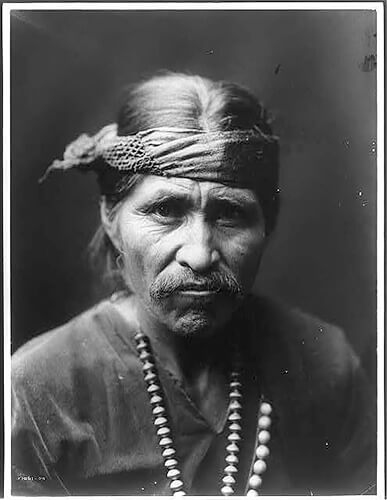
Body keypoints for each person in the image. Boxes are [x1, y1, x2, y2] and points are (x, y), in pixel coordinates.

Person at [12, 73, 376, 496]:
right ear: (111, 219)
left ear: (267, 224)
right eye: (166, 209)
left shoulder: (326, 365)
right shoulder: (35, 391)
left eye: (230, 214)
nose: (200, 254)